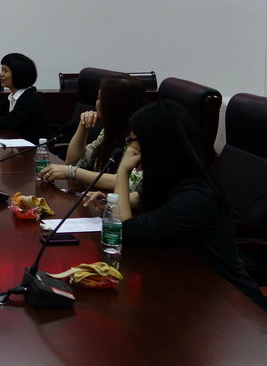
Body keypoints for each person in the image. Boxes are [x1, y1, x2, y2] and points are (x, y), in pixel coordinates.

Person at [111, 100, 267, 311]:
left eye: (132, 140)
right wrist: (111, 200)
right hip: (191, 289)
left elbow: (124, 233)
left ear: (155, 143)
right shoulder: (176, 177)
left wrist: (122, 172)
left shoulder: (196, 195)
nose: (129, 147)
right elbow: (142, 200)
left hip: (233, 305)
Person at [40, 75, 145, 190]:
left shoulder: (141, 137)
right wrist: (83, 127)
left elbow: (130, 183)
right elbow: (73, 161)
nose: (96, 103)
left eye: (99, 98)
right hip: (100, 195)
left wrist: (73, 172)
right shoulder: (109, 131)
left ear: (112, 105)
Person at [0, 53, 51, 144]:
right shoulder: (13, 96)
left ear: (18, 74)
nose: (1, 74)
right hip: (20, 144)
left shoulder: (29, 97)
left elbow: (12, 121)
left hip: (37, 147)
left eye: (5, 71)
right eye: (1, 70)